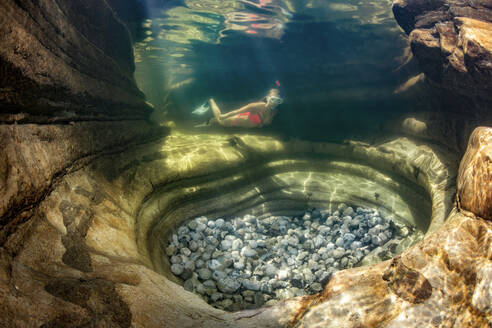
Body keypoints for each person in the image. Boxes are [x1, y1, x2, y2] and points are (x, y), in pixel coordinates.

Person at [204, 88, 283, 128]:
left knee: (219, 121)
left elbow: (264, 123)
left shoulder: (274, 112)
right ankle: (210, 100)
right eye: (273, 99)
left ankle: (211, 121)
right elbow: (237, 111)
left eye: (278, 100)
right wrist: (224, 116)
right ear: (268, 98)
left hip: (241, 125)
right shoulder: (258, 106)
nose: (274, 102)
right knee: (221, 121)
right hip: (236, 120)